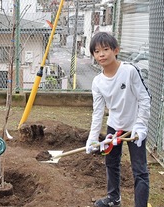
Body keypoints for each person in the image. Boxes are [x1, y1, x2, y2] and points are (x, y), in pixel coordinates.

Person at [85, 32, 151, 207]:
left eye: (106, 49)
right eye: (97, 51)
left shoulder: (129, 71)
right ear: (93, 55)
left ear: (116, 50)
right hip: (114, 126)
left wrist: (141, 124)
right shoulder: (97, 82)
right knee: (111, 163)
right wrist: (92, 138)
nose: (101, 54)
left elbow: (144, 98)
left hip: (134, 128)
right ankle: (114, 199)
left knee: (140, 171)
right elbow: (98, 112)